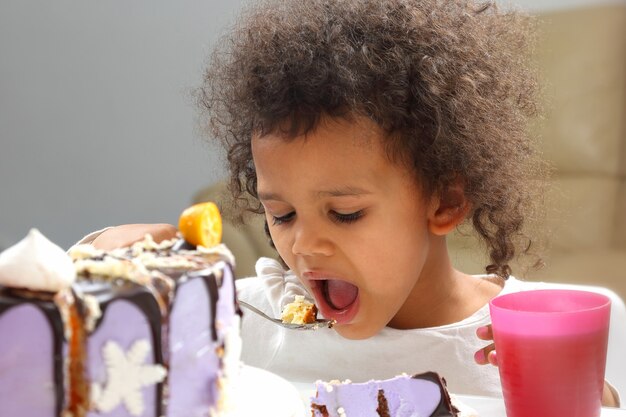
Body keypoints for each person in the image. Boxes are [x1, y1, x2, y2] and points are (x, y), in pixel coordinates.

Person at [85, 0, 620, 405]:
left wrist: (591, 401)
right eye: (283, 214)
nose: (304, 245)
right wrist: (99, 259)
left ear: (445, 201)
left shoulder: (575, 328)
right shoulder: (248, 316)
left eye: (345, 214)